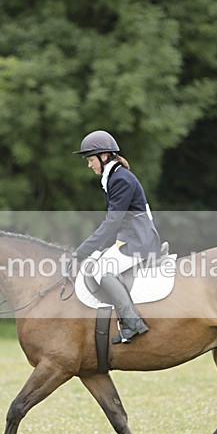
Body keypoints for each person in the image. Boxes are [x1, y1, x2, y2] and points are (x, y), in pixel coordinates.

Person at [73, 130, 161, 344]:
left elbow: (112, 222)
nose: (89, 165)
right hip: (129, 236)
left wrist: (82, 250)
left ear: (104, 157)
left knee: (101, 269)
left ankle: (133, 323)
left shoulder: (120, 179)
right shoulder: (114, 176)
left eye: (91, 160)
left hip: (139, 239)